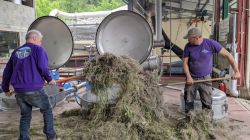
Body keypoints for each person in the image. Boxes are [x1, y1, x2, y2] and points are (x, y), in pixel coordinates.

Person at [1, 30, 57, 140]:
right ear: (35, 38)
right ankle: (51, 136)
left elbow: (7, 72)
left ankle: (24, 138)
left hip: (19, 91)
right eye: (40, 41)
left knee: (25, 115)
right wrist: (49, 79)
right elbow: (43, 67)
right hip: (34, 89)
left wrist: (6, 89)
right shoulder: (38, 49)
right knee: (47, 110)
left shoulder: (16, 51)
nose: (40, 43)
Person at [182, 27, 240, 114]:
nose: (188, 40)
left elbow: (228, 55)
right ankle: (189, 122)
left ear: (196, 37)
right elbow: (185, 63)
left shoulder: (210, 44)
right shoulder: (188, 46)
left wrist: (237, 71)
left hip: (206, 79)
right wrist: (188, 77)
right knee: (188, 102)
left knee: (207, 104)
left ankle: (207, 123)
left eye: (189, 38)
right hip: (191, 79)